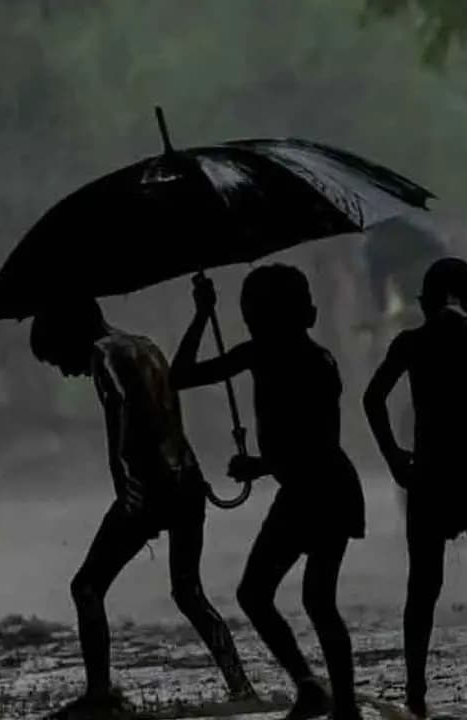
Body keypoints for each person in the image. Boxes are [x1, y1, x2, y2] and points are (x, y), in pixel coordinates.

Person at [28, 299, 256, 719]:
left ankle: (99, 694)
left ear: (70, 335)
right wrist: (202, 316)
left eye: (59, 358)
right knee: (189, 592)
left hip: (151, 486)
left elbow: (133, 413)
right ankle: (241, 685)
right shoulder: (145, 345)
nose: (64, 371)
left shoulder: (103, 353)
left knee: (87, 587)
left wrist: (130, 482)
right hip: (188, 479)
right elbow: (169, 406)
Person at [171, 266, 366, 720]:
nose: (256, 325)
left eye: (257, 315)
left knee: (307, 598)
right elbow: (179, 376)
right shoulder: (265, 354)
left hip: (322, 489)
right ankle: (317, 690)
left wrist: (260, 465)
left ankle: (341, 704)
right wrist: (202, 314)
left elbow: (317, 444)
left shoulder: (312, 364)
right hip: (309, 489)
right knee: (266, 595)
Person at [363, 257, 467, 718]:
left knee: (422, 588)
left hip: (429, 479)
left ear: (423, 304)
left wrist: (395, 458)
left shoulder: (412, 343)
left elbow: (371, 398)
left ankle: (416, 693)